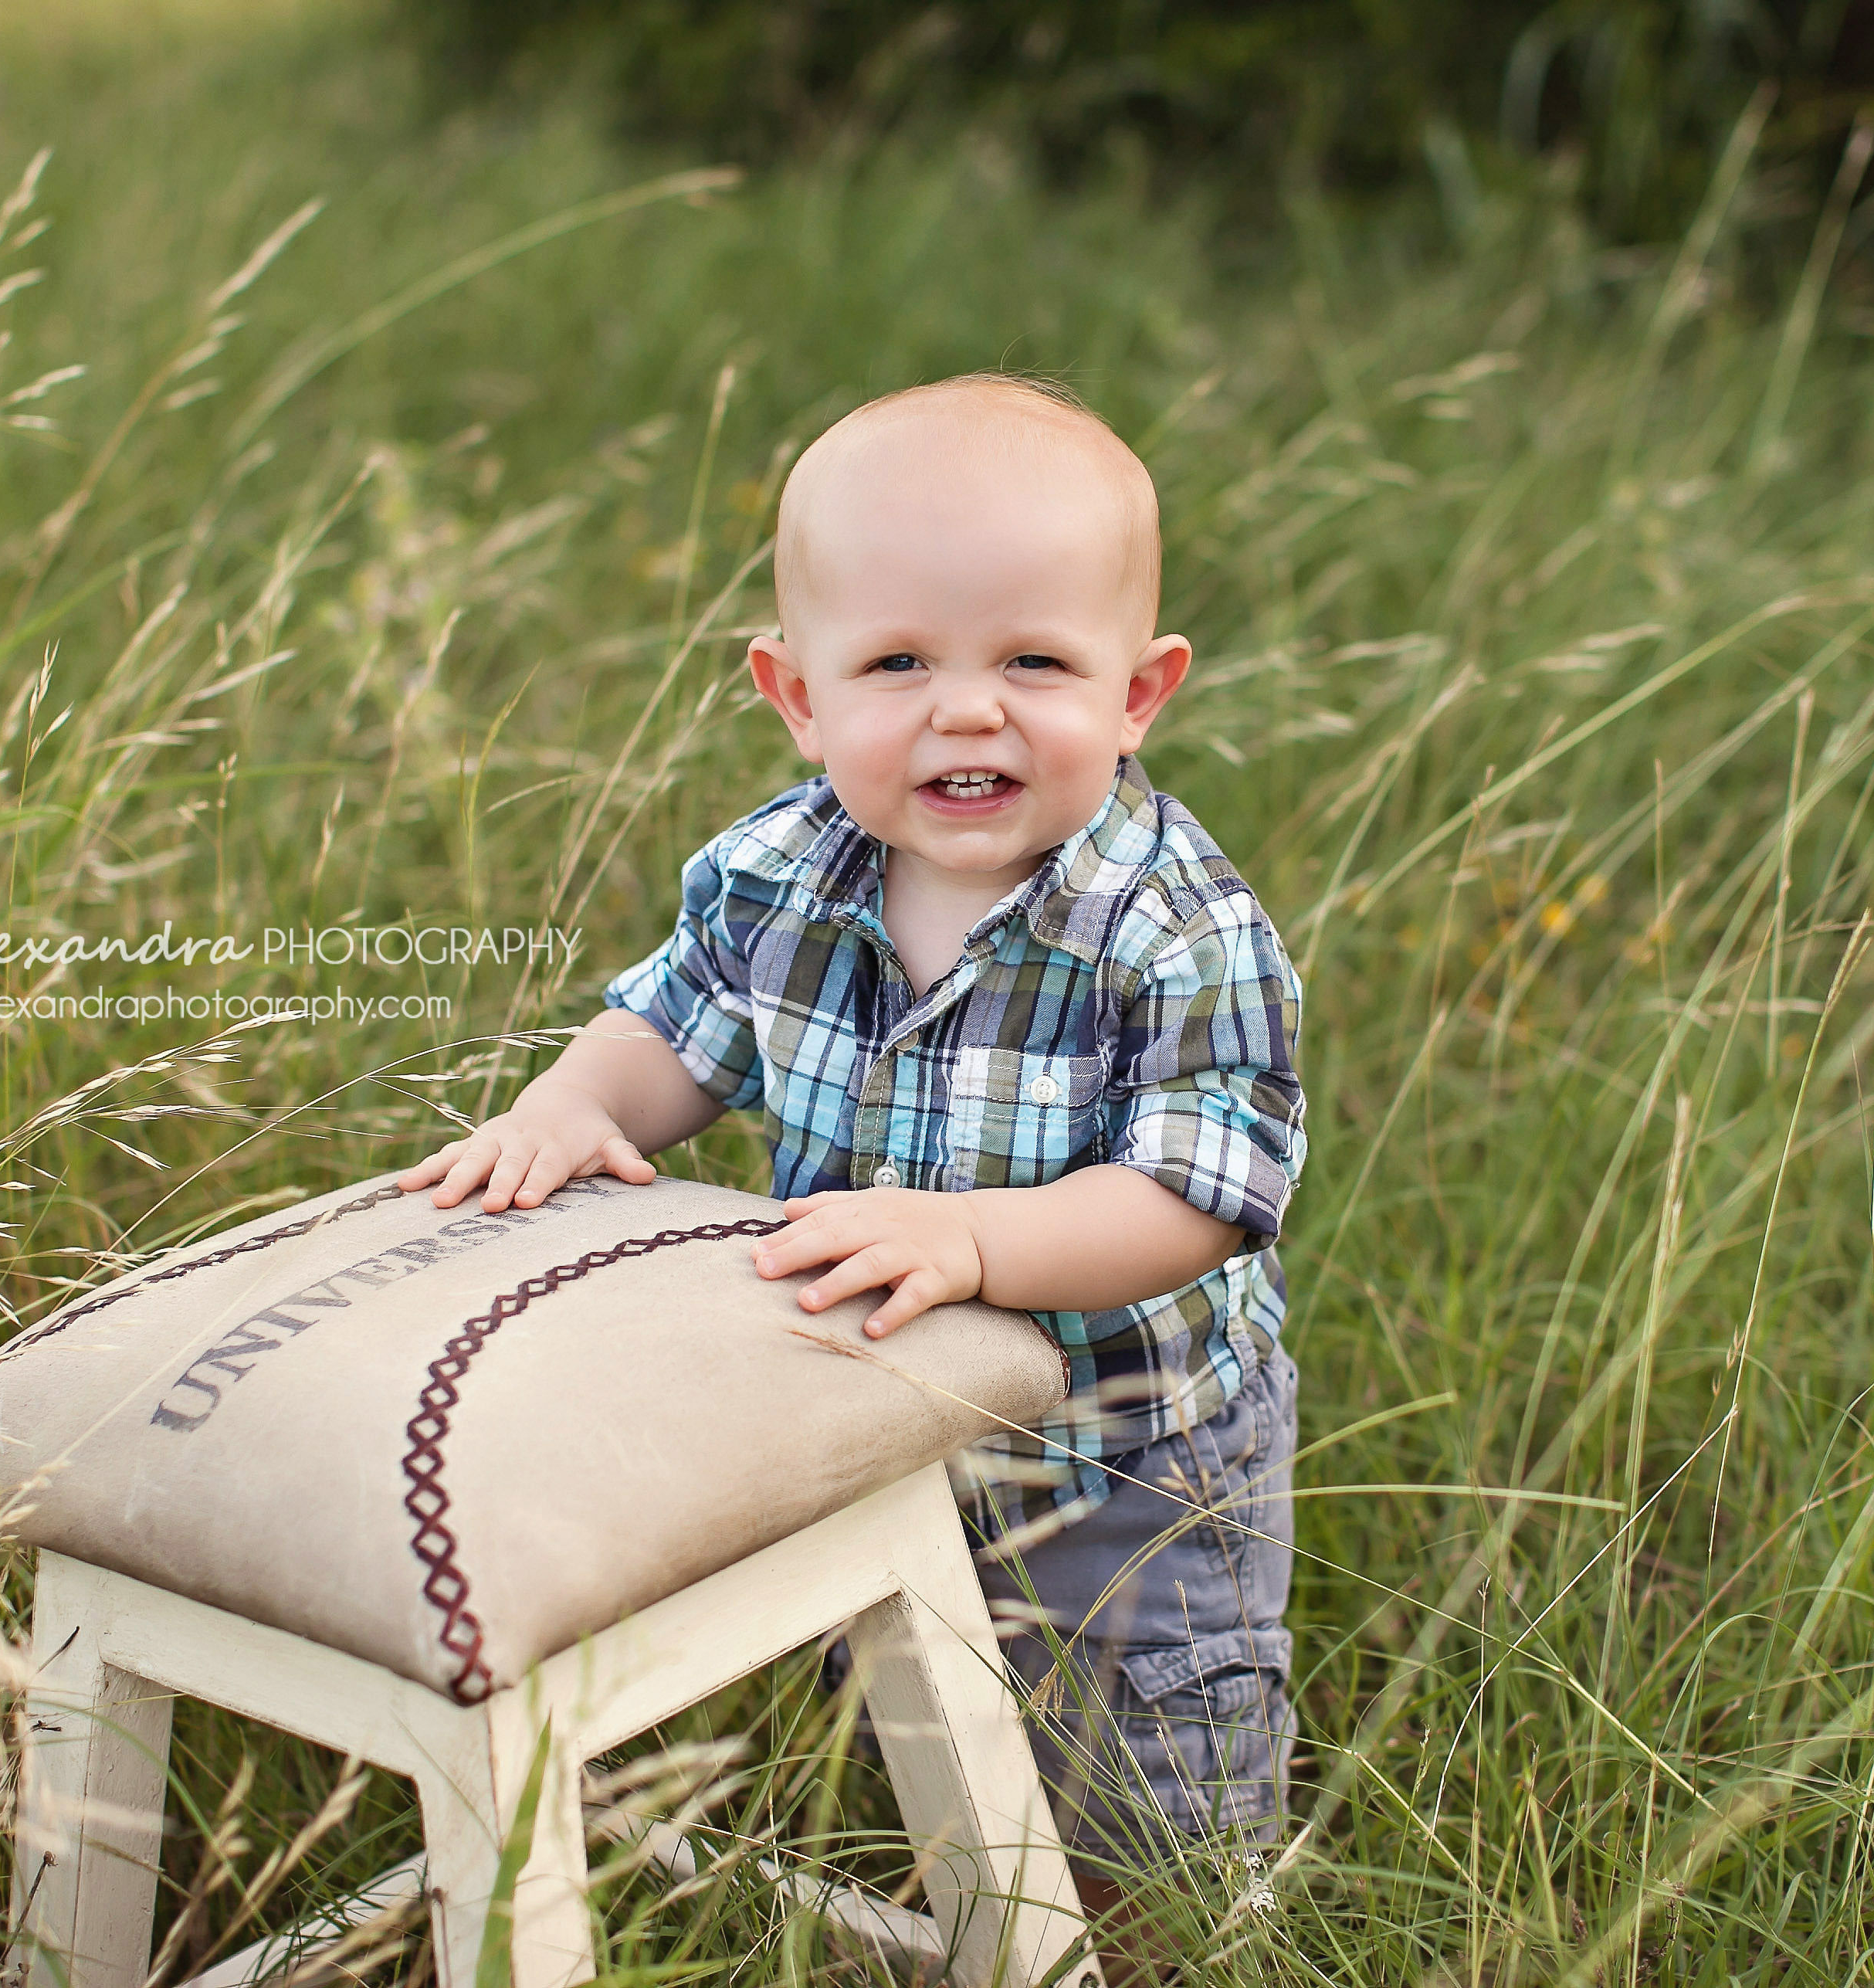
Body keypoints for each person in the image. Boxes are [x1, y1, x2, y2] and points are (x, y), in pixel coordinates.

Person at [398, 373, 1305, 1976]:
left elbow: (1194, 1198)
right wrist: (567, 1102)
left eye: (1034, 661)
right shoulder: (778, 872)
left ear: (1140, 689)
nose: (968, 711)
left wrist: (973, 1239)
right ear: (797, 695)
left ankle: (1145, 1948)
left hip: (1126, 1465)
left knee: (1137, 1792)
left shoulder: (1173, 926)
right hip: (869, 1425)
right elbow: (670, 1037)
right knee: (902, 1741)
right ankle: (931, 1914)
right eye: (898, 663)